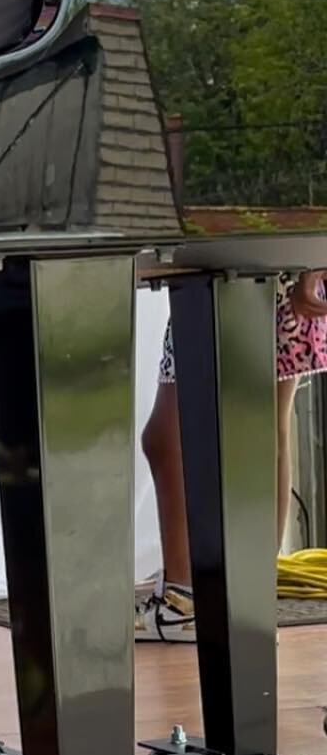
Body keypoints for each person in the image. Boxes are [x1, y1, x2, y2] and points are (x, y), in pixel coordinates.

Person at [138, 271, 327, 641]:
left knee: (181, 436)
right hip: (246, 263)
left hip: (263, 269)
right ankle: (236, 602)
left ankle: (189, 601)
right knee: (264, 430)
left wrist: (310, 263)